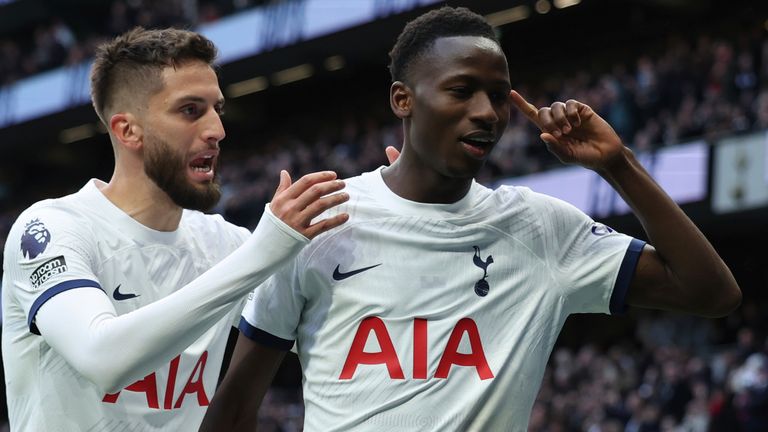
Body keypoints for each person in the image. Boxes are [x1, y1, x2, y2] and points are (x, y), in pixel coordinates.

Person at [200, 6, 742, 432]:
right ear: (402, 100)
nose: (486, 112)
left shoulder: (539, 229)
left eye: (498, 96)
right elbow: (234, 409)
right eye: (461, 91)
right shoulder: (319, 222)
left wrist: (617, 165)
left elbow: (710, 293)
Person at [0, 27, 351, 431]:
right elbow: (102, 357)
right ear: (127, 130)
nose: (217, 130)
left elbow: (343, 335)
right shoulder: (49, 229)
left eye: (217, 108)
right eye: (190, 110)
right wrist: (261, 252)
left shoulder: (224, 244)